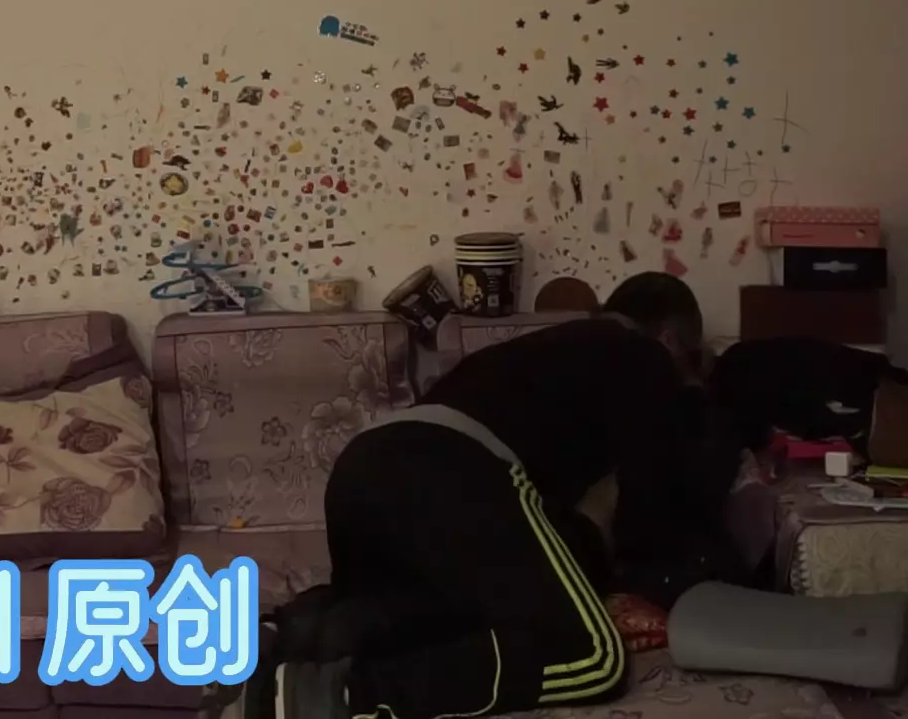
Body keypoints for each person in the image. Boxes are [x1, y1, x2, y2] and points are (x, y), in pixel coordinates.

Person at [225, 273, 745, 719]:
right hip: (450, 465)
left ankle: (282, 644)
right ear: (671, 339)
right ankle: (343, 698)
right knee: (591, 656)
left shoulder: (542, 356)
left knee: (430, 617)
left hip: (363, 470)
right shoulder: (642, 354)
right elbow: (653, 502)